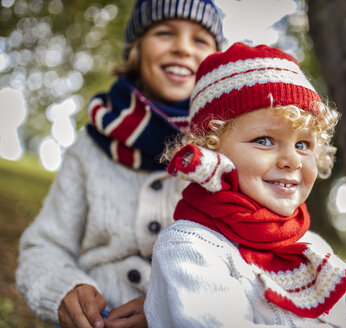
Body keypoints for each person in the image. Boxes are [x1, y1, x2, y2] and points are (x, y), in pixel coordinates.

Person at [144, 42, 346, 327]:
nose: (292, 160)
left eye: (304, 144)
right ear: (210, 149)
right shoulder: (191, 246)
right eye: (264, 141)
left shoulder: (309, 246)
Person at [15, 1, 223, 327]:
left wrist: (169, 306)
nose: (182, 47)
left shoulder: (232, 151)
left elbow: (255, 264)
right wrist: (64, 288)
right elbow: (44, 247)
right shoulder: (90, 148)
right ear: (135, 49)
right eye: (165, 32)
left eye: (200, 40)